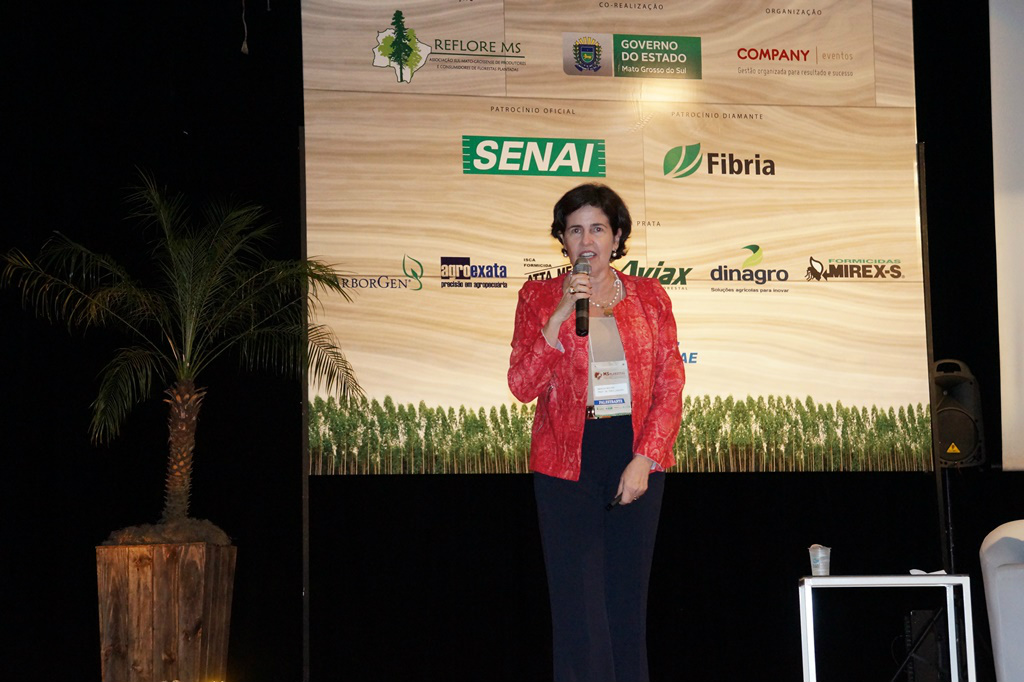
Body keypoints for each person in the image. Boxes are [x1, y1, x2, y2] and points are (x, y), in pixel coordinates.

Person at [508, 183, 686, 682]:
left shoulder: (650, 297)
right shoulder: (538, 296)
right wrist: (561, 313)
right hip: (565, 459)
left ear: (617, 236)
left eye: (597, 228)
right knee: (577, 611)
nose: (587, 240)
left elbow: (671, 382)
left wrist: (646, 458)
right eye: (575, 229)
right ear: (562, 240)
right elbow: (523, 384)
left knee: (627, 605)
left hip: (632, 454)